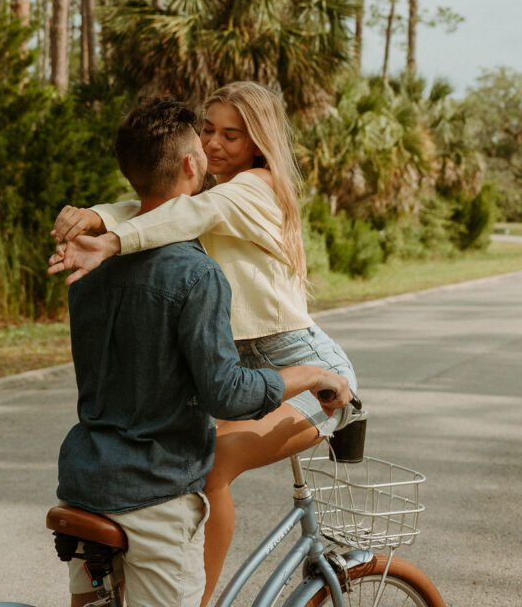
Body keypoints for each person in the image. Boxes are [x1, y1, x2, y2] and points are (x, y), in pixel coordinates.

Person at [50, 81, 360, 607]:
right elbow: (153, 202)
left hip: (308, 368)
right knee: (200, 467)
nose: (215, 144)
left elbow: (179, 212)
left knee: (211, 467)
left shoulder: (254, 187)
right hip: (251, 371)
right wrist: (101, 218)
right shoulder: (211, 197)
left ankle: (200, 601)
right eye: (209, 130)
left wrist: (110, 236)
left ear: (258, 144)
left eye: (231, 136)